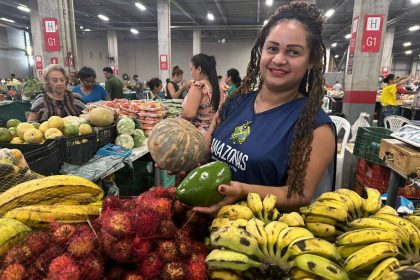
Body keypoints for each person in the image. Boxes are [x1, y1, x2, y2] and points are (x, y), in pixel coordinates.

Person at [175, 1, 335, 214]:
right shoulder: (235, 102)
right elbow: (204, 154)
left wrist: (242, 191)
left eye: (293, 52)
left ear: (311, 60)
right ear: (262, 52)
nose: (279, 59)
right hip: (203, 225)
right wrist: (180, 160)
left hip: (254, 238)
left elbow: (299, 195)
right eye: (272, 48)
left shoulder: (315, 126)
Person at [182, 53, 224, 136]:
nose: (191, 73)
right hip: (216, 132)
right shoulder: (219, 86)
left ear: (199, 69)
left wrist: (176, 121)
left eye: (191, 69)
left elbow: (189, 114)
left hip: (199, 135)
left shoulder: (199, 86)